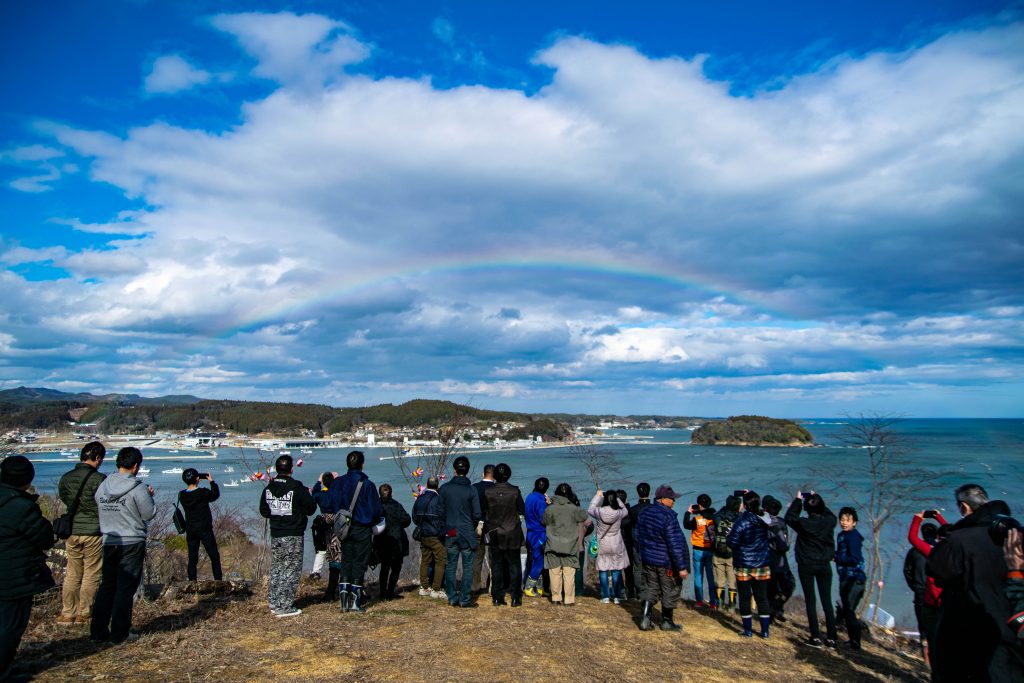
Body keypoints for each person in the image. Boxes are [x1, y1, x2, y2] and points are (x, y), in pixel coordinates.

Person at [927, 484, 1024, 681]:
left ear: (964, 507)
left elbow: (936, 570)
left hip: (966, 629)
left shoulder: (958, 540)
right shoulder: (1015, 536)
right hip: (1012, 627)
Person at [91, 447, 156, 643]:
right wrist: (150, 496)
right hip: (132, 540)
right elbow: (148, 514)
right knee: (125, 589)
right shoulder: (138, 488)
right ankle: (120, 633)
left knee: (107, 586)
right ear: (136, 466)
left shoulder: (103, 485)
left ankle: (98, 631)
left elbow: (97, 503)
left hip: (109, 539)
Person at [0, 456, 55, 682]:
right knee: (10, 625)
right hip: (13, 574)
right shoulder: (21, 507)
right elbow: (44, 537)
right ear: (27, 479)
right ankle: (3, 671)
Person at [259, 454, 316, 618]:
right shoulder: (297, 487)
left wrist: (277, 513)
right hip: (293, 533)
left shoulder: (269, 488)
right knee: (291, 569)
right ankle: (284, 606)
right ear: (291, 469)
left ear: (277, 469)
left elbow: (264, 511)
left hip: (276, 532)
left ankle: (274, 600)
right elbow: (311, 508)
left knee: (277, 567)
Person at [56, 440, 106, 626]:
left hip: (72, 529)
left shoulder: (66, 478)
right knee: (91, 572)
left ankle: (68, 612)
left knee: (73, 572)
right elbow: (104, 503)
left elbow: (64, 497)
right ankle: (84, 612)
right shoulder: (99, 479)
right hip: (93, 530)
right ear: (97, 457)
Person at [327, 450, 383, 613]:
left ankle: (343, 600)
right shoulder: (368, 485)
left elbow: (330, 503)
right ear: (362, 465)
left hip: (343, 528)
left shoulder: (338, 483)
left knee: (346, 561)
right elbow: (375, 511)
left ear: (347, 464)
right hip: (362, 528)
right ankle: (355, 601)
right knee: (359, 563)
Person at [785, 491, 838, 648]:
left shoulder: (803, 524)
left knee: (811, 601)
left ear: (807, 510)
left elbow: (789, 518)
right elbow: (830, 515)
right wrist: (818, 499)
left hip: (806, 565)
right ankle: (832, 638)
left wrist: (798, 500)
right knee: (826, 601)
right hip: (824, 565)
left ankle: (815, 636)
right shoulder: (829, 522)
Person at [634, 484, 690, 631]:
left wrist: (643, 553)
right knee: (670, 589)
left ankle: (645, 618)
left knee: (651, 588)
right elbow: (675, 544)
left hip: (648, 559)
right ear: (663, 499)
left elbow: (638, 536)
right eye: (672, 499)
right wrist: (682, 567)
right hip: (666, 562)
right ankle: (667, 621)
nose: (674, 501)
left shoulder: (645, 513)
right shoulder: (668, 516)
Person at [726, 490, 773, 638]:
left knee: (745, 597)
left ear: (745, 505)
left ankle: (748, 630)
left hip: (744, 564)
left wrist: (729, 535)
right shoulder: (765, 520)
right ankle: (765, 631)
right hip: (761, 564)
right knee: (762, 598)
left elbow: (732, 542)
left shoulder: (741, 522)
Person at [905, 509, 947, 664]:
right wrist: (939, 517)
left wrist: (918, 517)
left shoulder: (934, 552)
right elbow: (955, 533)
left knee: (928, 634)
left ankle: (929, 663)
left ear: (938, 538)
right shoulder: (958, 553)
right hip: (948, 603)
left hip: (930, 601)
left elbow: (912, 538)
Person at [438, 456, 481, 608]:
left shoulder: (444, 488)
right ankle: (464, 598)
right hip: (467, 530)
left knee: (450, 564)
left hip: (450, 530)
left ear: (454, 470)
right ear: (467, 470)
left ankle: (451, 596)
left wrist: (445, 526)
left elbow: (440, 511)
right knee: (468, 566)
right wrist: (471, 524)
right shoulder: (471, 489)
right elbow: (477, 514)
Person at [483, 463, 526, 606]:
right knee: (514, 565)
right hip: (512, 532)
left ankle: (497, 596)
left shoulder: (488, 492)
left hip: (495, 533)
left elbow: (485, 511)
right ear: (509, 475)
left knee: (497, 566)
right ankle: (515, 597)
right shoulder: (515, 491)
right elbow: (522, 509)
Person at [542, 483, 589, 605]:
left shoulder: (550, 508)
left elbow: (544, 521)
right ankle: (568, 599)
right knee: (569, 573)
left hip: (553, 543)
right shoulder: (574, 509)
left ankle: (556, 598)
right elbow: (584, 516)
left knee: (554, 572)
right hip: (570, 544)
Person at [178, 468, 222, 582]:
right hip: (205, 529)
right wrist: (211, 481)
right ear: (198, 479)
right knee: (214, 556)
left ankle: (192, 582)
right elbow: (215, 495)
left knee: (192, 558)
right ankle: (218, 581)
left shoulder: (182, 495)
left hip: (190, 529)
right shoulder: (203, 493)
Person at [588, 489, 630, 604]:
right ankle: (617, 596)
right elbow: (625, 509)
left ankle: (605, 596)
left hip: (603, 543)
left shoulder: (599, 512)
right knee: (616, 570)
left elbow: (590, 509)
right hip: (616, 543)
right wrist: (617, 499)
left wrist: (598, 496)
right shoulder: (619, 513)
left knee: (603, 569)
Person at [835, 507, 866, 650]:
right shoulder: (841, 535)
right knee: (847, 610)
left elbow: (855, 558)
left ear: (854, 522)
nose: (844, 523)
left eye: (848, 520)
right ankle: (853, 640)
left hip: (854, 578)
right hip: (845, 577)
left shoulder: (853, 537)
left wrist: (836, 557)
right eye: (842, 519)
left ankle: (855, 642)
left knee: (849, 610)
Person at [412, 476, 447, 599]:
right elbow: (443, 517)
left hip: (423, 534)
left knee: (425, 560)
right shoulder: (438, 499)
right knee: (441, 559)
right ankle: (436, 589)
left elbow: (414, 517)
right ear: (437, 486)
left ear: (427, 485)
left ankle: (424, 587)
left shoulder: (419, 498)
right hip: (435, 535)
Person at [374, 483, 411, 600]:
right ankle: (390, 592)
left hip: (381, 540)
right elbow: (406, 520)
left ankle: (382, 592)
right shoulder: (396, 505)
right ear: (391, 493)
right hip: (396, 540)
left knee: (384, 567)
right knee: (396, 568)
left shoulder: (376, 505)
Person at [762, 495, 795, 623]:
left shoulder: (761, 522)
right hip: (779, 561)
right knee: (788, 586)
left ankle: (771, 613)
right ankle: (775, 609)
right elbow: (783, 544)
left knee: (770, 588)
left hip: (766, 559)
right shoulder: (780, 523)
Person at [683, 493, 718, 609]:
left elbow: (686, 524)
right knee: (711, 577)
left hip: (698, 550)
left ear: (699, 505)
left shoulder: (697, 520)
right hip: (710, 550)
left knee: (698, 576)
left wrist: (688, 512)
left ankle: (699, 601)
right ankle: (713, 602)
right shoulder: (714, 518)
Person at [712, 494, 741, 610]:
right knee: (732, 580)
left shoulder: (718, 516)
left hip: (718, 551)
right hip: (733, 553)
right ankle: (732, 606)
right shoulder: (740, 518)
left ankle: (719, 603)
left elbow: (715, 516)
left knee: (719, 580)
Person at [523, 477, 549, 597]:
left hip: (530, 532)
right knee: (539, 561)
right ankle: (529, 586)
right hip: (539, 533)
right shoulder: (540, 501)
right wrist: (549, 505)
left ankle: (539, 588)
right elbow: (544, 519)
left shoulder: (529, 497)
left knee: (535, 560)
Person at [472, 464, 495, 594]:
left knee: (477, 557)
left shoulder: (475, 488)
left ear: (483, 474)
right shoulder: (497, 489)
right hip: (493, 525)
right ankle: (492, 586)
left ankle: (474, 586)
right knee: (493, 556)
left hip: (478, 524)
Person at [309, 472, 335, 583]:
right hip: (337, 521)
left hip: (323, 521)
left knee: (322, 548)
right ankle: (336, 570)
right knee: (336, 548)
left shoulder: (320, 495)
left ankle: (316, 572)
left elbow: (314, 493)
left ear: (323, 482)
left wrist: (318, 481)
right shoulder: (337, 493)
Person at [629, 483, 653, 598]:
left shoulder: (633, 510)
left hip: (637, 542)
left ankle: (639, 591)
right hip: (652, 544)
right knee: (651, 568)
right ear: (649, 492)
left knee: (638, 568)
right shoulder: (653, 509)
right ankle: (650, 590)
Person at [616, 489, 636, 600]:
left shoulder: (613, 512)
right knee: (629, 569)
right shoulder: (630, 512)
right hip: (628, 543)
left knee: (617, 569)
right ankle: (631, 591)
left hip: (617, 543)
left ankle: (621, 590)